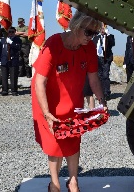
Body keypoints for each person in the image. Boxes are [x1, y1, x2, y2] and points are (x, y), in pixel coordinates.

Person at [31, 11, 106, 192]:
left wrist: (102, 103)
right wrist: (47, 113)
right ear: (76, 27)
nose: (91, 37)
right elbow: (39, 81)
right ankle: (54, 183)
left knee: (73, 139)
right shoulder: (54, 43)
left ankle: (73, 181)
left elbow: (94, 79)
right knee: (54, 142)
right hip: (48, 101)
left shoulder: (88, 48)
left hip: (73, 100)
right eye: (88, 33)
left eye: (94, 34)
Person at [0, 27, 22, 96]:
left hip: (13, 60)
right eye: (9, 32)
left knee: (13, 76)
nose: (11, 33)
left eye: (12, 32)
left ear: (15, 32)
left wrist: (11, 43)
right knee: (4, 76)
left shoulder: (18, 40)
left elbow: (19, 47)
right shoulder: (3, 40)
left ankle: (14, 90)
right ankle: (4, 90)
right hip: (4, 60)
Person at [92, 25, 115, 100]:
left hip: (106, 58)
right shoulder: (96, 38)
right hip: (98, 58)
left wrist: (107, 34)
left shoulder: (110, 37)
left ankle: (107, 93)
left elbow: (112, 43)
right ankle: (101, 93)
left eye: (103, 28)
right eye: (101, 28)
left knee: (105, 75)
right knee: (99, 76)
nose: (102, 30)